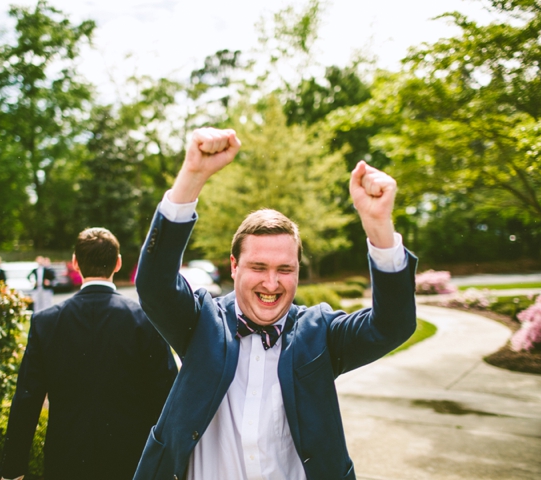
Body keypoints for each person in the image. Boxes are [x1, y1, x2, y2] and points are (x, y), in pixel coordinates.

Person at [134, 128, 417, 480]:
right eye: (258, 267)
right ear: (234, 267)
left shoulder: (321, 333)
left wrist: (379, 227)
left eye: (285, 269)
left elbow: (393, 324)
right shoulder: (201, 322)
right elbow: (154, 284)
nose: (272, 283)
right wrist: (192, 177)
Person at [1, 228, 178, 480]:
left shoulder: (46, 322)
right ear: (118, 263)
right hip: (131, 461)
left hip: (66, 460)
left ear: (75, 263)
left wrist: (12, 470)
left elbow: (26, 401)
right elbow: (167, 396)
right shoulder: (145, 320)